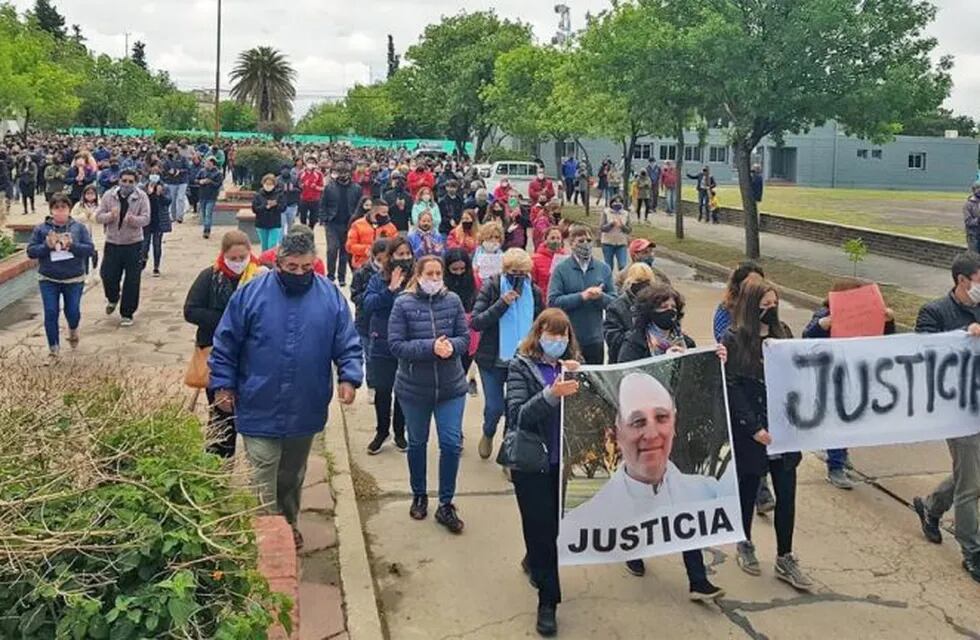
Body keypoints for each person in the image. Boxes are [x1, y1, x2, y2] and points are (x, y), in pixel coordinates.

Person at [209, 229, 362, 549]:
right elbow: (225, 344)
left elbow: (347, 342)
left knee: (291, 475)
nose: (299, 274)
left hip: (305, 404)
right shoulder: (251, 294)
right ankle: (266, 532)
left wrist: (349, 376)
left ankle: (288, 520)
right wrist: (223, 384)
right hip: (257, 399)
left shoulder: (329, 296)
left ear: (314, 264)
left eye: (306, 268)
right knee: (263, 470)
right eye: (292, 267)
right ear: (278, 263)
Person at [559, 371, 730, 593]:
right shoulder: (586, 519)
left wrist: (723, 358)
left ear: (674, 422)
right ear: (616, 433)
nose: (651, 434)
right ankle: (633, 552)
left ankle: (697, 580)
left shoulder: (706, 493)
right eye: (638, 421)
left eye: (661, 417)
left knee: (689, 520)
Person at [724, 278, 813, 591]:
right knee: (748, 491)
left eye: (774, 305)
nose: (770, 311)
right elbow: (732, 386)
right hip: (753, 432)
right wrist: (753, 427)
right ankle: (744, 542)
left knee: (786, 495)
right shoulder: (734, 339)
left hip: (784, 431)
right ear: (751, 307)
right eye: (764, 306)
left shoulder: (783, 333)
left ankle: (784, 555)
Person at [506, 308, 581, 638]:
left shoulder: (574, 366)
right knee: (541, 528)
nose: (558, 341)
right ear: (538, 335)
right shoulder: (521, 366)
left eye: (563, 335)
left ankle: (534, 560)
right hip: (532, 463)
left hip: (565, 463)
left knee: (551, 529)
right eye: (552, 334)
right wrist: (552, 394)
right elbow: (518, 414)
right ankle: (548, 602)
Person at [388, 255, 470, 533]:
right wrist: (429, 347)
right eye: (430, 274)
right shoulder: (403, 304)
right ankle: (419, 494)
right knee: (418, 443)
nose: (435, 279)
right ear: (419, 275)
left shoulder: (453, 301)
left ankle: (446, 503)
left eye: (439, 274)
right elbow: (396, 345)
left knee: (450, 444)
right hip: (414, 389)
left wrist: (452, 347)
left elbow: (465, 338)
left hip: (451, 387)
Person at [911, 252, 980, 581]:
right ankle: (972, 550)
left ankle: (931, 506)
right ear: (962, 280)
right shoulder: (935, 312)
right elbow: (926, 355)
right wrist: (965, 336)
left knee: (972, 474)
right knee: (971, 483)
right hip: (957, 410)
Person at [801, 278, 896, 490]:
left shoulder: (870, 315)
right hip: (832, 378)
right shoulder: (824, 316)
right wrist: (821, 326)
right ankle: (835, 466)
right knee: (838, 420)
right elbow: (806, 340)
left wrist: (888, 321)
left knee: (849, 419)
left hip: (856, 375)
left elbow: (886, 341)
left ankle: (840, 454)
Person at [183, 230, 264, 459]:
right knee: (221, 414)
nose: (238, 263)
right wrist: (227, 321)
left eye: (242, 258)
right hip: (217, 353)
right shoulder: (210, 277)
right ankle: (217, 465)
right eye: (233, 258)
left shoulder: (260, 277)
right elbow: (190, 311)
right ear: (223, 255)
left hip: (252, 355)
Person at [471, 249, 545, 460]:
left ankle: (509, 451)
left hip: (523, 360)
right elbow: (476, 322)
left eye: (523, 272)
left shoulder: (534, 291)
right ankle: (488, 432)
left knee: (515, 410)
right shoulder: (492, 286)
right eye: (514, 272)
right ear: (505, 270)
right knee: (494, 407)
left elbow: (542, 322)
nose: (518, 277)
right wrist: (502, 304)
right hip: (493, 359)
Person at [26, 193, 95, 361]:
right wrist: (46, 246)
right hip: (48, 278)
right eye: (56, 208)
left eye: (63, 208)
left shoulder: (78, 228)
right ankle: (53, 348)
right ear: (51, 210)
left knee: (72, 311)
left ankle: (73, 329)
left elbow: (89, 249)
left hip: (73, 278)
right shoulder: (41, 229)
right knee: (51, 312)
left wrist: (72, 245)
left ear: (69, 209)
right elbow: (31, 251)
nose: (60, 211)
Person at [363, 237, 413, 455]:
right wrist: (390, 289)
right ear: (390, 256)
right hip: (382, 340)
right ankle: (382, 431)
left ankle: (400, 432)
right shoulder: (377, 279)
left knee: (402, 390)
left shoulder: (416, 278)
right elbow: (368, 304)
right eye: (399, 254)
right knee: (383, 389)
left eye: (406, 254)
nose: (403, 259)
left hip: (408, 341)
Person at [548, 224, 615, 365]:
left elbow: (615, 302)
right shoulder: (561, 269)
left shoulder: (603, 268)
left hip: (595, 338)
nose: (585, 244)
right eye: (581, 241)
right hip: (568, 338)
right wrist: (581, 297)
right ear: (571, 244)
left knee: (594, 383)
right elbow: (553, 301)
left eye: (588, 241)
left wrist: (600, 297)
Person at [95, 169, 150, 327]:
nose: (127, 184)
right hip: (112, 242)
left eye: (130, 181)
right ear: (119, 181)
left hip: (133, 243)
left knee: (132, 280)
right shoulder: (109, 196)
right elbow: (98, 216)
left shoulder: (141, 197)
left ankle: (127, 312)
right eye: (124, 181)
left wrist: (133, 220)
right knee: (107, 274)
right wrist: (110, 216)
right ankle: (113, 298)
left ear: (135, 182)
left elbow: (146, 219)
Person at [603, 262, 661, 363]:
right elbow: (613, 341)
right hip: (623, 361)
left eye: (647, 281)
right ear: (630, 282)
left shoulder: (657, 304)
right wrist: (638, 333)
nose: (643, 285)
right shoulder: (616, 307)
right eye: (639, 280)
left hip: (651, 360)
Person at [320, 161, 362, 286]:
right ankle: (331, 275)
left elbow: (359, 206)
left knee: (345, 251)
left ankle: (342, 277)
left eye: (345, 172)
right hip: (332, 222)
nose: (343, 175)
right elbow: (323, 204)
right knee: (332, 249)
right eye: (340, 172)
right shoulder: (329, 187)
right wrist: (324, 218)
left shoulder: (356, 188)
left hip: (349, 223)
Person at [346, 200, 398, 270]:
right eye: (383, 212)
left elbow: (396, 245)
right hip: (361, 265)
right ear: (373, 212)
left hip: (383, 265)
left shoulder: (391, 227)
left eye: (387, 212)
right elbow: (349, 246)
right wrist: (366, 249)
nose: (386, 215)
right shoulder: (357, 225)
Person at [141, 174, 172, 277]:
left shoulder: (164, 187)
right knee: (144, 244)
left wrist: (160, 194)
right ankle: (143, 260)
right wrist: (148, 193)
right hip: (147, 221)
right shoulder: (143, 188)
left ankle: (156, 267)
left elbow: (168, 202)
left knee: (157, 245)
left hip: (159, 221)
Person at [252, 174, 285, 252]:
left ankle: (271, 262)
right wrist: (265, 206)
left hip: (275, 223)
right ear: (263, 183)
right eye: (267, 184)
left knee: (272, 245)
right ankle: (264, 261)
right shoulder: (258, 195)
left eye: (270, 184)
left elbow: (283, 208)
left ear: (274, 184)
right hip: (261, 223)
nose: (268, 186)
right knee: (264, 246)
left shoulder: (279, 194)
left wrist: (276, 205)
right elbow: (255, 209)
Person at [531, 226, 567, 296]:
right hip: (543, 299)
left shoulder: (566, 258)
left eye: (558, 238)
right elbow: (532, 283)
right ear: (545, 240)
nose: (556, 241)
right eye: (552, 238)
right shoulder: (535, 259)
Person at [599, 195, 632, 272]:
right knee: (608, 266)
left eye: (619, 202)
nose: (617, 204)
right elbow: (602, 228)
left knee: (623, 266)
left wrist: (622, 226)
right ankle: (609, 282)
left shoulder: (625, 214)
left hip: (621, 243)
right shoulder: (606, 212)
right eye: (615, 202)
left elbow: (629, 230)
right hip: (608, 243)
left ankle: (621, 282)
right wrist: (611, 224)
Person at [196, 157, 223, 239]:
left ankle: (206, 230)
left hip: (211, 196)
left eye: (208, 162)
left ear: (212, 163)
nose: (206, 164)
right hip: (202, 195)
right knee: (204, 214)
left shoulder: (218, 173)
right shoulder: (202, 171)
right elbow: (196, 179)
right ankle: (206, 226)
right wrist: (200, 181)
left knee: (208, 214)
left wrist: (210, 182)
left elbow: (218, 185)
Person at [162, 145, 190, 223]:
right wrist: (168, 172)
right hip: (171, 182)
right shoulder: (167, 160)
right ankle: (173, 216)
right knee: (173, 200)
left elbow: (188, 169)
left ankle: (180, 216)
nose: (170, 152)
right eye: (168, 151)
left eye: (171, 151)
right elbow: (164, 170)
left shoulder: (183, 158)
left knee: (180, 198)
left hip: (182, 181)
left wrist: (179, 171)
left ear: (175, 151)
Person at [298, 156, 325, 229]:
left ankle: (311, 231)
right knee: (302, 219)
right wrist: (301, 185)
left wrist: (315, 186)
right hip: (304, 199)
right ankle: (304, 232)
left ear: (315, 164)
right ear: (306, 163)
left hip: (315, 200)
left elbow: (323, 188)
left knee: (313, 219)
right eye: (309, 162)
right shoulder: (301, 173)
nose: (310, 164)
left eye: (312, 163)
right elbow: (298, 185)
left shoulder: (319, 174)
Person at [964, 181, 980, 253]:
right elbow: (968, 222)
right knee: (974, 258)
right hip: (973, 237)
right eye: (978, 189)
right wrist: (978, 220)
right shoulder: (968, 205)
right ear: (973, 190)